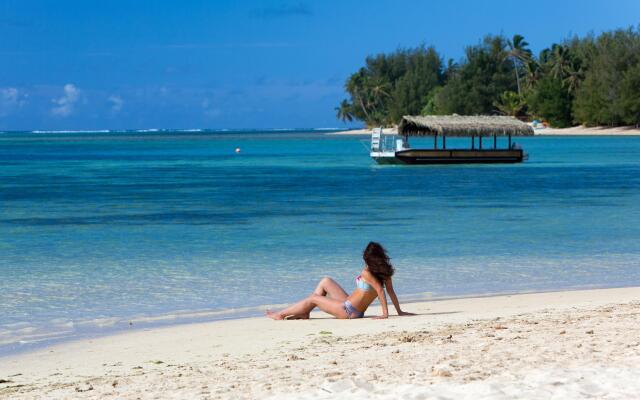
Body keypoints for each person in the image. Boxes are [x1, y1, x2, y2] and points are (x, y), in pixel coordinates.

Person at [266, 242, 415, 320]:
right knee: (326, 281)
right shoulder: (385, 273)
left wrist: (385, 314)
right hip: (351, 306)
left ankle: (281, 314)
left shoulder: (368, 272)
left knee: (313, 298)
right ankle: (305, 313)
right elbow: (391, 292)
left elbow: (380, 291)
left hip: (348, 310)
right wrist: (399, 311)